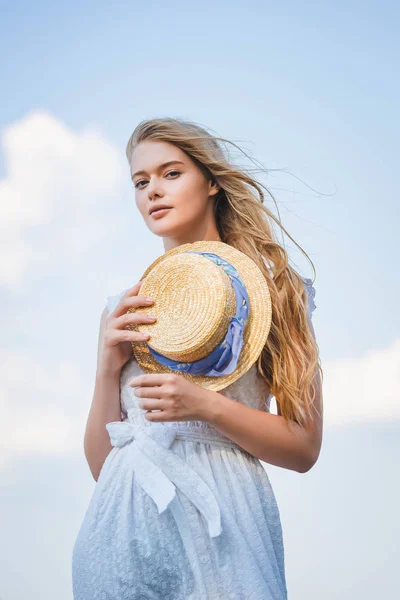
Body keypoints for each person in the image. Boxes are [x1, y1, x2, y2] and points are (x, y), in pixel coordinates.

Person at [72, 117, 323, 599]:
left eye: (171, 173)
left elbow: (304, 447)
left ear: (210, 181)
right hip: (120, 529)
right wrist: (107, 370)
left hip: (225, 525)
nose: (153, 192)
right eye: (140, 182)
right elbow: (104, 467)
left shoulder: (278, 293)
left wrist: (204, 405)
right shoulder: (122, 308)